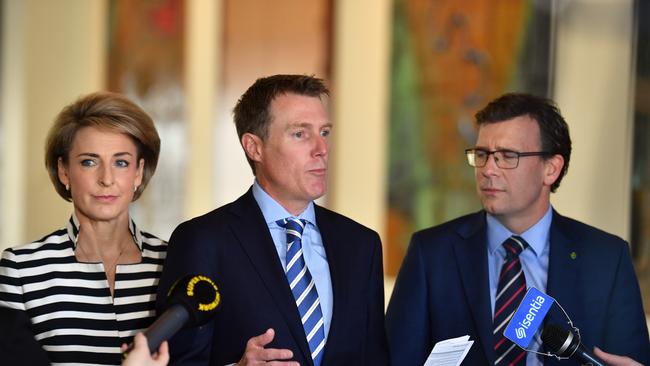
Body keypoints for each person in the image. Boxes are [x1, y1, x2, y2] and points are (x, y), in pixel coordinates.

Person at [385, 93, 650, 366]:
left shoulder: (606, 259)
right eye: (482, 154)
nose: (488, 169)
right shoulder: (431, 253)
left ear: (551, 169)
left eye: (507, 156)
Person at [156, 74, 389, 365]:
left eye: (325, 132)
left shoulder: (362, 245)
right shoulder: (202, 240)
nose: (322, 149)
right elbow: (173, 361)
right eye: (300, 134)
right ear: (254, 147)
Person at [0, 92, 167, 365]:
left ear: (138, 172)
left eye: (121, 162)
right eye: (89, 162)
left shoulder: (171, 260)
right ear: (64, 171)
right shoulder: (22, 269)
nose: (106, 179)